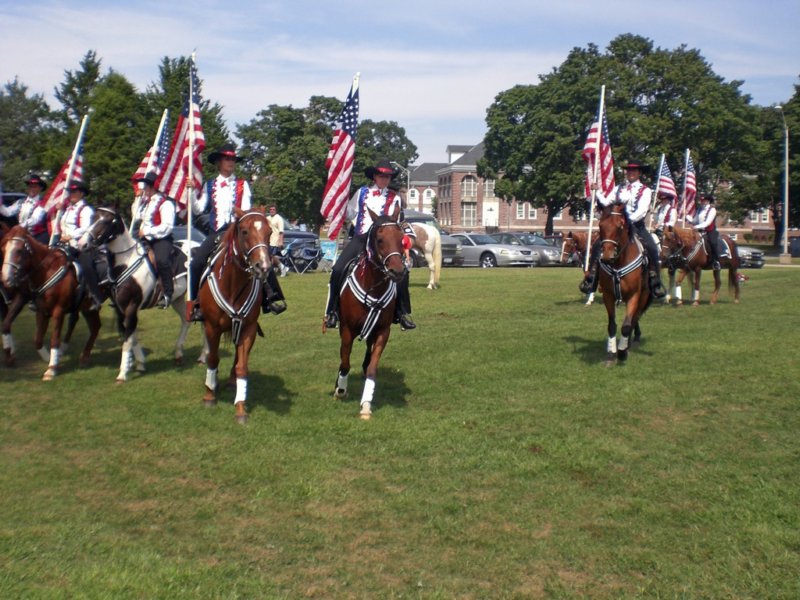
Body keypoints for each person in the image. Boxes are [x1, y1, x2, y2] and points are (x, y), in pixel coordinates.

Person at [187, 142, 285, 321]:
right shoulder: (210, 185)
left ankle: (270, 297)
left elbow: (247, 210)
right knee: (196, 262)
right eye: (226, 159)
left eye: (232, 159)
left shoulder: (242, 185)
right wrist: (192, 192)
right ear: (219, 162)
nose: (230, 162)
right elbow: (198, 209)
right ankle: (196, 303)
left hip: (240, 231)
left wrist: (240, 214)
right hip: (217, 233)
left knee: (263, 255)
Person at [324, 158, 416, 331]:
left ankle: (402, 313)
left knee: (402, 272)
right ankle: (332, 312)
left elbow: (399, 221)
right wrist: (340, 206)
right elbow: (349, 212)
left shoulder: (395, 198)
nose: (384, 179)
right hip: (361, 238)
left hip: (384, 242)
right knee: (338, 269)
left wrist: (407, 235)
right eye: (381, 176)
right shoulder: (361, 193)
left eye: (388, 177)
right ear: (375, 176)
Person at [579, 161, 667, 299]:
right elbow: (607, 202)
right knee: (597, 245)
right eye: (628, 171)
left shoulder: (646, 191)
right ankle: (591, 279)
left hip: (636, 226)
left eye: (633, 171)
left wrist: (626, 221)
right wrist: (597, 192)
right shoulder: (619, 188)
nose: (630, 174)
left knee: (652, 248)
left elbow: (642, 211)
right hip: (617, 227)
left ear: (639, 173)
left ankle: (655, 281)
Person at [59, 180, 103, 310]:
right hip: (65, 245)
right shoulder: (67, 209)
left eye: (74, 192)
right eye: (70, 192)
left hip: (80, 245)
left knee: (87, 266)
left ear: (81, 194)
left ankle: (96, 296)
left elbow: (86, 228)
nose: (71, 194)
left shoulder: (86, 209)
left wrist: (70, 235)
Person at [135, 171, 175, 309]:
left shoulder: (166, 204)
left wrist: (146, 231)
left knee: (161, 260)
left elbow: (167, 226)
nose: (144, 188)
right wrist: (137, 200)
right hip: (143, 239)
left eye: (146, 186)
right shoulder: (145, 203)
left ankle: (168, 294)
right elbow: (135, 216)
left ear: (153, 187)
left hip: (161, 239)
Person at [16, 174, 50, 244]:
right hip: (21, 233)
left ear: (40, 189)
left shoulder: (43, 203)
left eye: (34, 187)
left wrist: (20, 226)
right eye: (30, 187)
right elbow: (8, 212)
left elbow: (35, 219)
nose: (32, 189)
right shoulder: (21, 201)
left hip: (36, 235)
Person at [693, 194, 721, 270]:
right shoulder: (699, 209)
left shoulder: (712, 210)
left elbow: (707, 223)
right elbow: (695, 220)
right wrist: (687, 217)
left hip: (710, 231)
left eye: (703, 200)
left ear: (708, 201)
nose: (701, 202)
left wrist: (696, 227)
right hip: (699, 231)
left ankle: (716, 261)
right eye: (701, 200)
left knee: (713, 242)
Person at [266, 204, 288, 277]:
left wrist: (280, 241)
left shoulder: (279, 219)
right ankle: (273, 270)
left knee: (271, 255)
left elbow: (281, 231)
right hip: (267, 240)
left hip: (274, 240)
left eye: (273, 209)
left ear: (276, 210)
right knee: (268, 256)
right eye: (270, 209)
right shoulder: (267, 218)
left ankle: (282, 267)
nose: (272, 211)